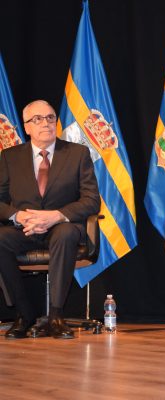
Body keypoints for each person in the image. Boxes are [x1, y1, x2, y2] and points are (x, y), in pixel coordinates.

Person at [0, 100, 100, 339]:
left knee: (65, 234)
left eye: (50, 117)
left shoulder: (77, 153)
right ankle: (24, 314)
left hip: (62, 226)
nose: (45, 123)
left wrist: (56, 216)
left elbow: (91, 201)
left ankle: (56, 315)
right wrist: (19, 215)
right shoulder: (9, 157)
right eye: (38, 119)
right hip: (24, 229)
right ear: (26, 127)